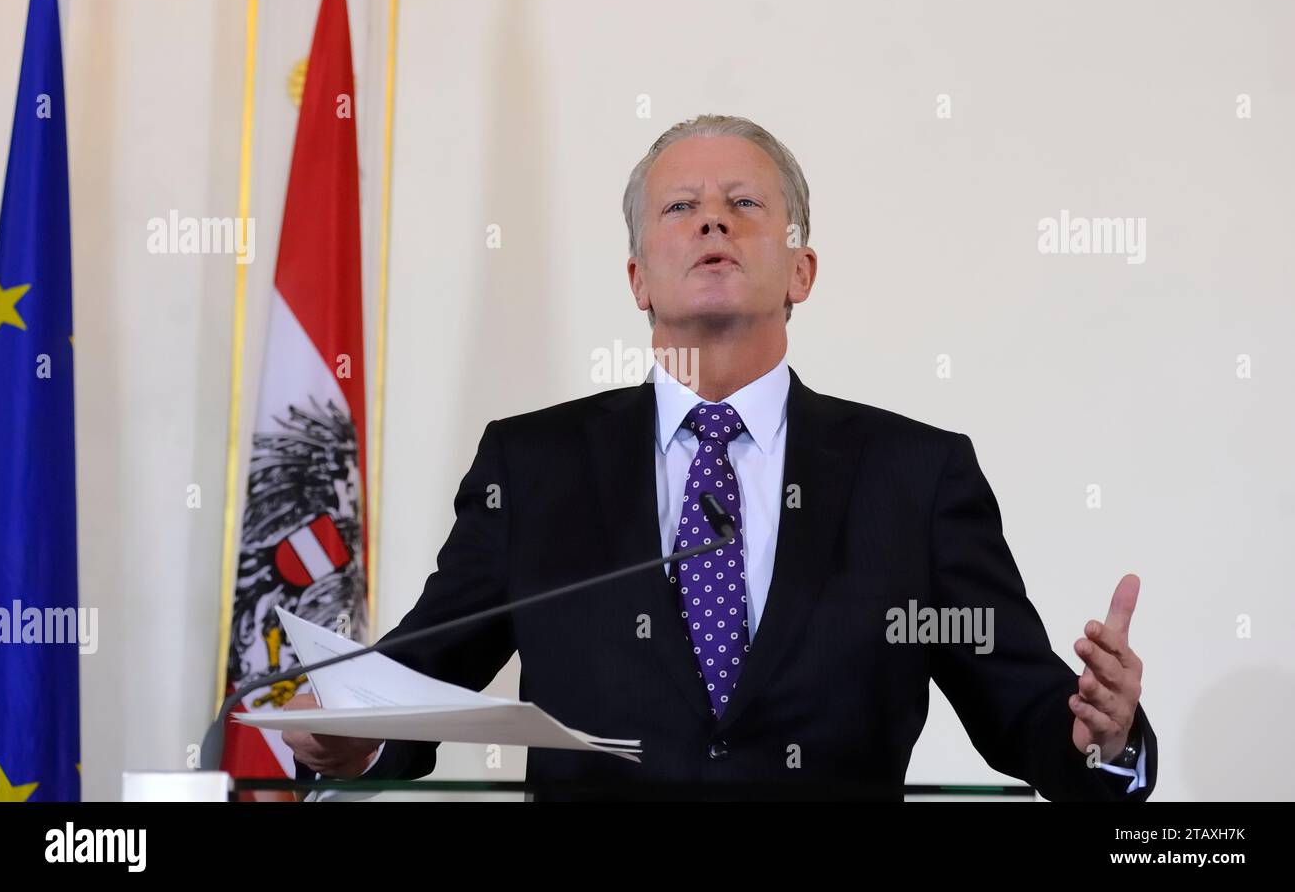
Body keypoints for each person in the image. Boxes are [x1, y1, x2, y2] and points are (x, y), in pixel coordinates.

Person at [283, 114, 1154, 801]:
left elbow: (1030, 716)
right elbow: (420, 682)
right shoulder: (533, 465)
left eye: (744, 203)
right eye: (680, 206)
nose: (712, 219)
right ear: (637, 281)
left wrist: (1104, 737)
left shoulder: (916, 477)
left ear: (800, 271)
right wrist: (353, 734)